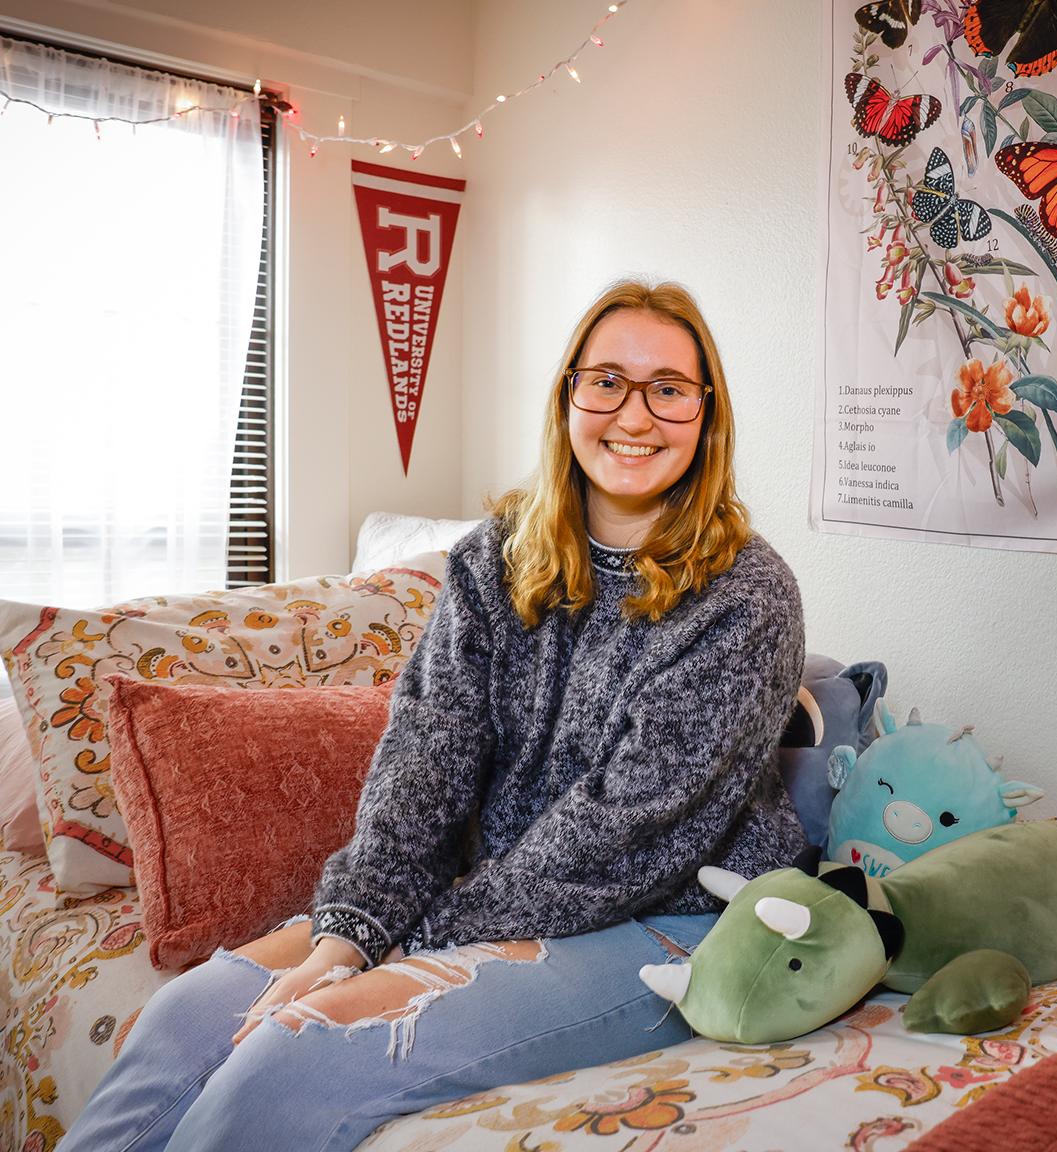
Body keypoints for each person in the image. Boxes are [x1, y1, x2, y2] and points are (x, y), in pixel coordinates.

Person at [62, 280, 807, 1151]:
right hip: (487, 896)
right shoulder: (492, 561)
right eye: (606, 380)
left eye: (668, 389)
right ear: (567, 395)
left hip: (667, 921)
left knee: (294, 1059)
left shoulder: (747, 597)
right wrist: (351, 930)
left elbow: (625, 841)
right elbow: (421, 765)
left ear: (706, 413)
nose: (634, 415)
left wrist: (410, 944)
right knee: (185, 1019)